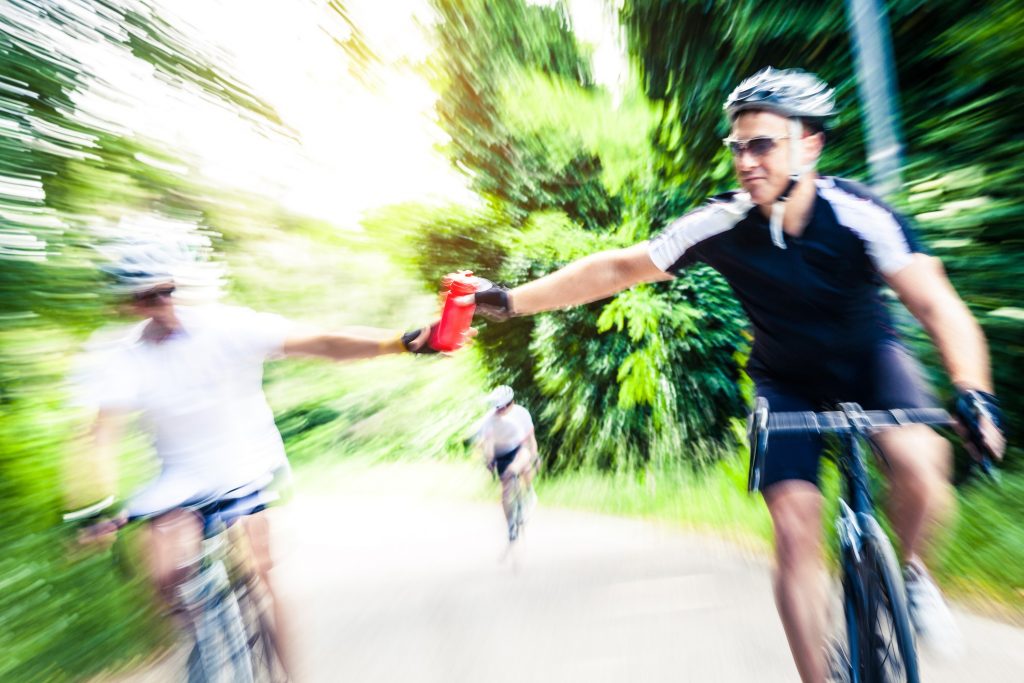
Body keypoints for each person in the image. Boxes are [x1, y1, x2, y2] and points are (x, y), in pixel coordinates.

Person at [460, 67, 1005, 682]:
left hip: (871, 361)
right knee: (795, 532)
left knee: (923, 468)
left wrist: (974, 392)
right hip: (785, 381)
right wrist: (509, 301)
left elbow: (937, 305)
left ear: (809, 145)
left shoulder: (860, 215)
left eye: (762, 145)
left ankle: (910, 577)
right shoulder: (723, 222)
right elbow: (618, 269)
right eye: (738, 146)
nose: (746, 161)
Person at [64, 245, 442, 676]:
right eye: (145, 297)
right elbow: (101, 435)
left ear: (175, 288)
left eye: (165, 291)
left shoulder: (227, 327)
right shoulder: (121, 354)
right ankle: (198, 642)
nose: (159, 304)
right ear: (129, 304)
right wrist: (95, 509)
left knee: (258, 571)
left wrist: (400, 342)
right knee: (161, 571)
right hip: (178, 478)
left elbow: (323, 342)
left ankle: (290, 675)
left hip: (246, 463)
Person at [477, 385, 539, 539]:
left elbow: (530, 439)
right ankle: (511, 524)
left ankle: (529, 490)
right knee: (506, 490)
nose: (498, 411)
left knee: (524, 460)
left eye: (502, 407)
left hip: (518, 448)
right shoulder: (489, 419)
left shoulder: (522, 414)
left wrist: (535, 456)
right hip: (500, 453)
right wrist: (489, 461)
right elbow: (488, 443)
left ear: (510, 403)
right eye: (496, 408)